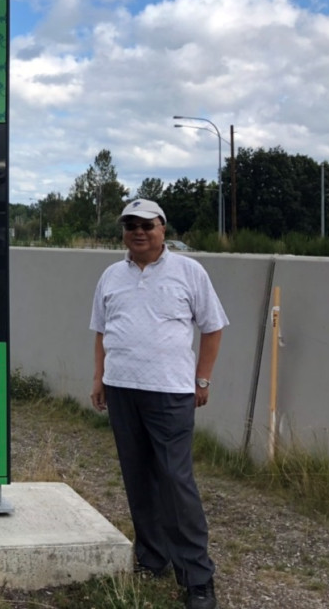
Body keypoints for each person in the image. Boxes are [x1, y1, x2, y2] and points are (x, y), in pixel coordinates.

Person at [90, 199, 228, 609]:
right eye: (130, 225)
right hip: (121, 388)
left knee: (174, 481)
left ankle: (197, 577)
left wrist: (202, 378)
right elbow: (100, 330)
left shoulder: (189, 272)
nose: (138, 232)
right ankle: (152, 558)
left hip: (169, 392)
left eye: (146, 225)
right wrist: (99, 378)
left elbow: (213, 326)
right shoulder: (111, 275)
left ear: (162, 229)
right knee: (138, 477)